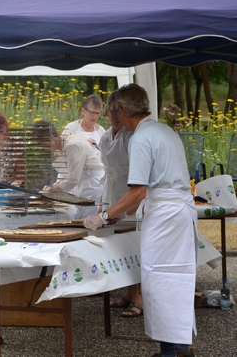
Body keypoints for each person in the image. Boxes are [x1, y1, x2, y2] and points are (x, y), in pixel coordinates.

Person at [84, 84, 197, 357]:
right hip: (178, 213)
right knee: (178, 281)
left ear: (121, 111)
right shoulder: (164, 130)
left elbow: (138, 190)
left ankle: (174, 351)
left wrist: (104, 216)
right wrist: (119, 213)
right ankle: (179, 347)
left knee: (159, 282)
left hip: (165, 217)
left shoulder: (140, 138)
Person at [99, 90, 142, 318]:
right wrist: (101, 204)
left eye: (119, 111)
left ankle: (138, 297)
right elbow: (106, 172)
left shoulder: (131, 137)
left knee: (132, 246)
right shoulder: (105, 137)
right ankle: (128, 292)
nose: (116, 115)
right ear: (107, 112)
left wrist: (129, 206)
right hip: (111, 192)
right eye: (112, 111)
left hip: (129, 192)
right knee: (118, 247)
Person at [38, 121, 104, 219]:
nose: (42, 148)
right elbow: (67, 174)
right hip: (84, 185)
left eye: (42, 144)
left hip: (92, 186)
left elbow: (72, 180)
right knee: (80, 219)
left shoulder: (73, 145)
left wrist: (51, 190)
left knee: (87, 220)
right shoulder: (63, 146)